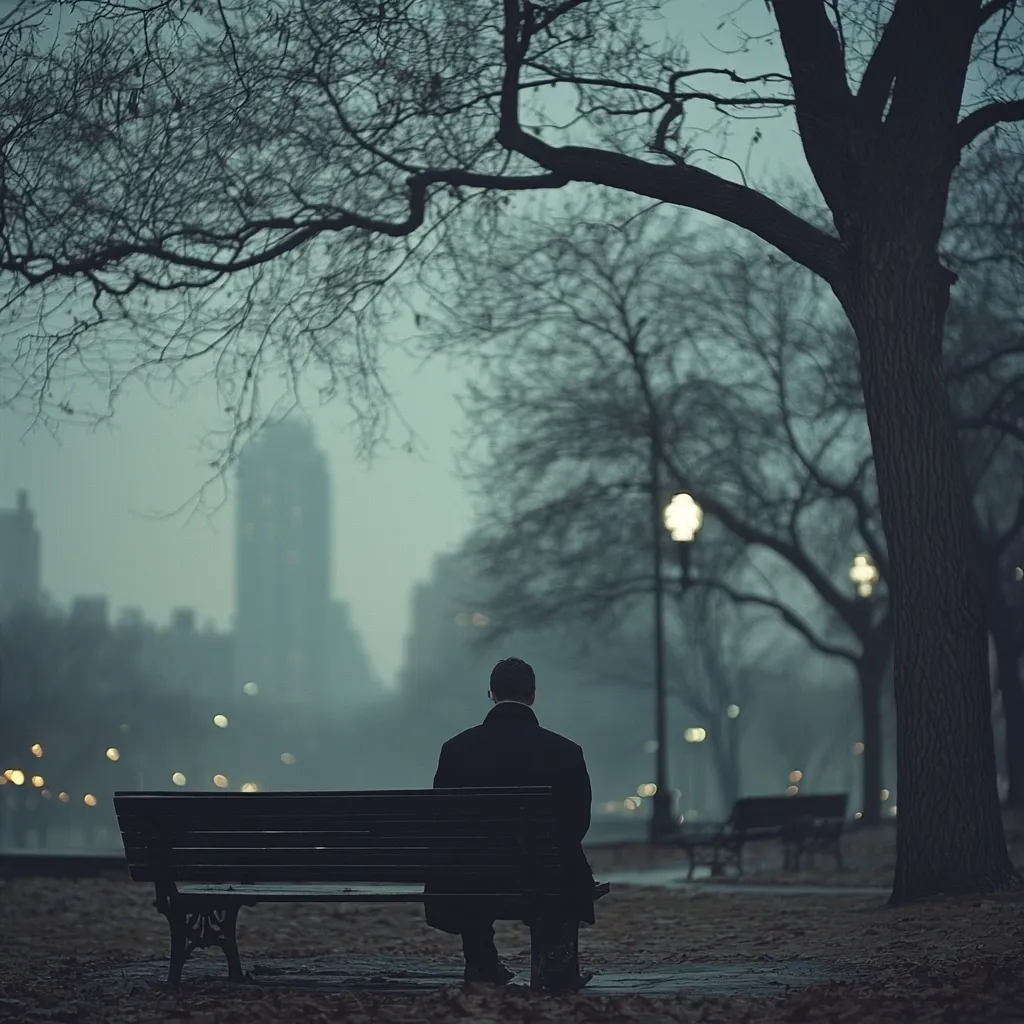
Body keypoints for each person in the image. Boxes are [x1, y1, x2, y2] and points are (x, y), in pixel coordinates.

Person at [424, 657, 596, 986]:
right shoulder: (565, 751)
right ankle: (555, 964)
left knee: (468, 861)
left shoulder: (456, 750)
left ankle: (481, 962)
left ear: (491, 694)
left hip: (471, 877)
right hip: (544, 874)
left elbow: (443, 819)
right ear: (532, 695)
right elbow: (578, 822)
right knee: (562, 861)